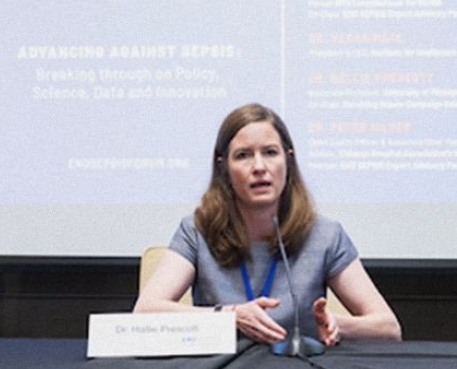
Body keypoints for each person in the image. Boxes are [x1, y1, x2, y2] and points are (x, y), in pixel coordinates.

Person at [135, 103, 401, 346]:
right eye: (243, 156)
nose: (259, 167)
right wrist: (230, 315)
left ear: (288, 160)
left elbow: (389, 328)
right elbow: (145, 311)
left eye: (270, 153)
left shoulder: (323, 235)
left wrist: (339, 325)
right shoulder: (197, 230)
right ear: (224, 167)